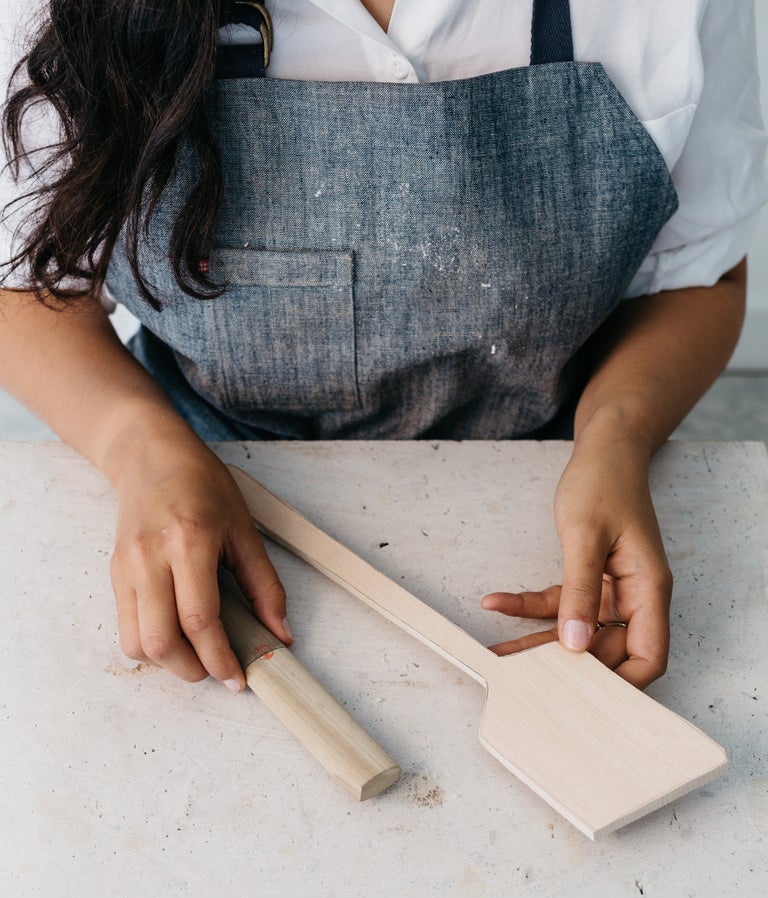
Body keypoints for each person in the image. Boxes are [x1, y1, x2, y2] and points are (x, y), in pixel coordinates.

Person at [0, 0, 766, 694]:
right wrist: (139, 448)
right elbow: (24, 293)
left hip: (548, 503)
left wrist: (618, 439)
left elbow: (700, 277)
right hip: (195, 499)